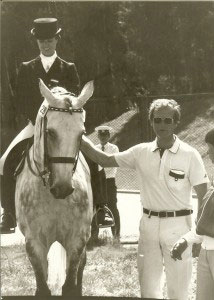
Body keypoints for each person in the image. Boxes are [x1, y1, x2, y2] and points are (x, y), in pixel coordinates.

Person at [80, 98, 208, 299]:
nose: (162, 125)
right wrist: (79, 137)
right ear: (151, 121)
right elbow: (103, 159)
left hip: (179, 227)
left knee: (178, 291)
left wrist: (197, 235)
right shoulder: (140, 152)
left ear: (176, 122)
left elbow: (204, 195)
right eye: (158, 120)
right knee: (148, 289)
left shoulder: (190, 155)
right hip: (148, 226)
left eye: (168, 120)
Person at [0, 17, 113, 234]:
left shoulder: (68, 68)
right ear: (37, 42)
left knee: (94, 158)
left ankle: (101, 207)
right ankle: (9, 213)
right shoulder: (26, 68)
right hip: (36, 123)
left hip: (64, 125)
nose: (46, 44)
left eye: (50, 40)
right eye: (42, 41)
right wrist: (38, 118)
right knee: (5, 160)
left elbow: (75, 96)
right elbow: (20, 99)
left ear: (57, 40)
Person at [171, 128, 214, 300]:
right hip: (206, 252)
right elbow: (207, 221)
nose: (209, 154)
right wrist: (186, 240)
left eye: (212, 149)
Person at [95, 125, 120, 239]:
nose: (103, 137)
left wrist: (100, 166)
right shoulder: (94, 148)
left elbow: (111, 164)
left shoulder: (114, 148)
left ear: (109, 136)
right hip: (98, 182)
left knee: (112, 206)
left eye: (105, 135)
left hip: (109, 181)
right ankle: (94, 235)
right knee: (96, 206)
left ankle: (116, 234)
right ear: (98, 136)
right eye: (101, 135)